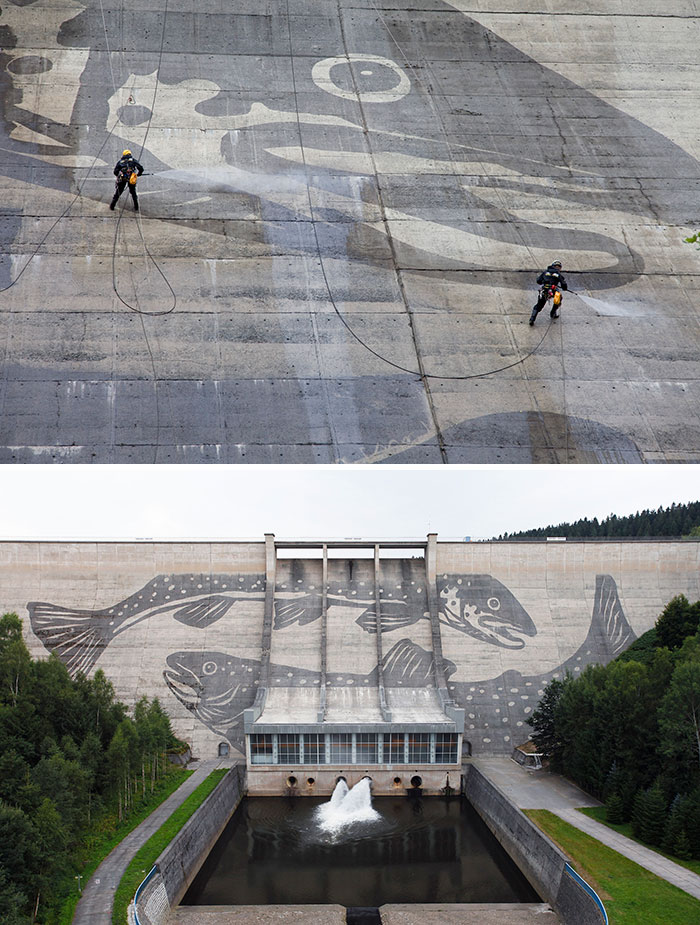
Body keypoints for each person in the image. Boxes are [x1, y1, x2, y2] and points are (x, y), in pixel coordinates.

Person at [529, 260, 568, 325]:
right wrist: (564, 288)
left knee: (539, 305)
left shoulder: (545, 272)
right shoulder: (558, 274)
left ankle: (532, 319)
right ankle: (553, 313)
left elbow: (538, 281)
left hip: (544, 290)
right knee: (559, 299)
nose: (558, 268)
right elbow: (563, 284)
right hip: (553, 290)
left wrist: (544, 281)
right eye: (558, 267)